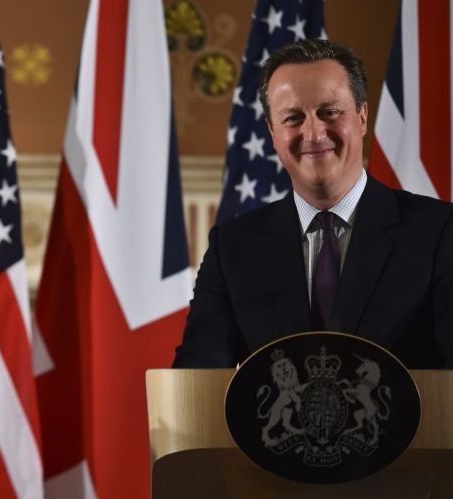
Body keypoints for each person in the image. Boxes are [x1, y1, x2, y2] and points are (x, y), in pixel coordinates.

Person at [174, 39, 453, 369]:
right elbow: (197, 377)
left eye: (330, 112)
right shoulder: (232, 248)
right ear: (272, 132)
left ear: (362, 116)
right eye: (293, 118)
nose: (315, 133)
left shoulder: (438, 232)